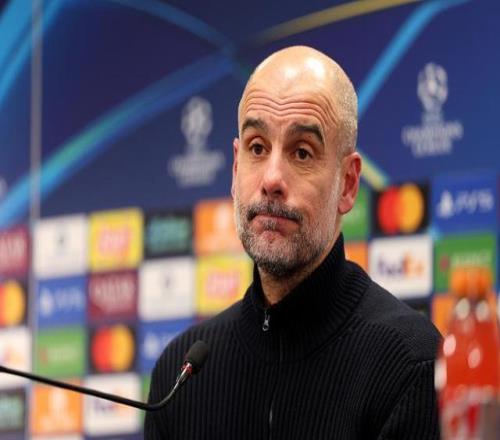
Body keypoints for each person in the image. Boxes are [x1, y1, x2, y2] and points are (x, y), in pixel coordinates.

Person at [145, 46, 441, 439]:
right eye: (257, 148)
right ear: (235, 168)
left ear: (348, 184)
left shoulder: (411, 365)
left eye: (302, 152)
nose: (271, 179)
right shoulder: (180, 376)